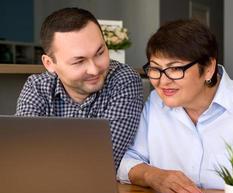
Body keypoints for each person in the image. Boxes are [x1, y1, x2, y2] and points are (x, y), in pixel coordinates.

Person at [117, 19, 233, 193]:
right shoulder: (155, 103)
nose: (162, 81)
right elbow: (129, 160)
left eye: (175, 69)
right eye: (155, 69)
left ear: (208, 68)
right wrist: (154, 176)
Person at [15, 7, 144, 170]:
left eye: (100, 53)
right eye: (78, 61)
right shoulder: (37, 87)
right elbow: (25, 155)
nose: (94, 69)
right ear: (49, 64)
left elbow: (103, 160)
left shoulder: (124, 80)